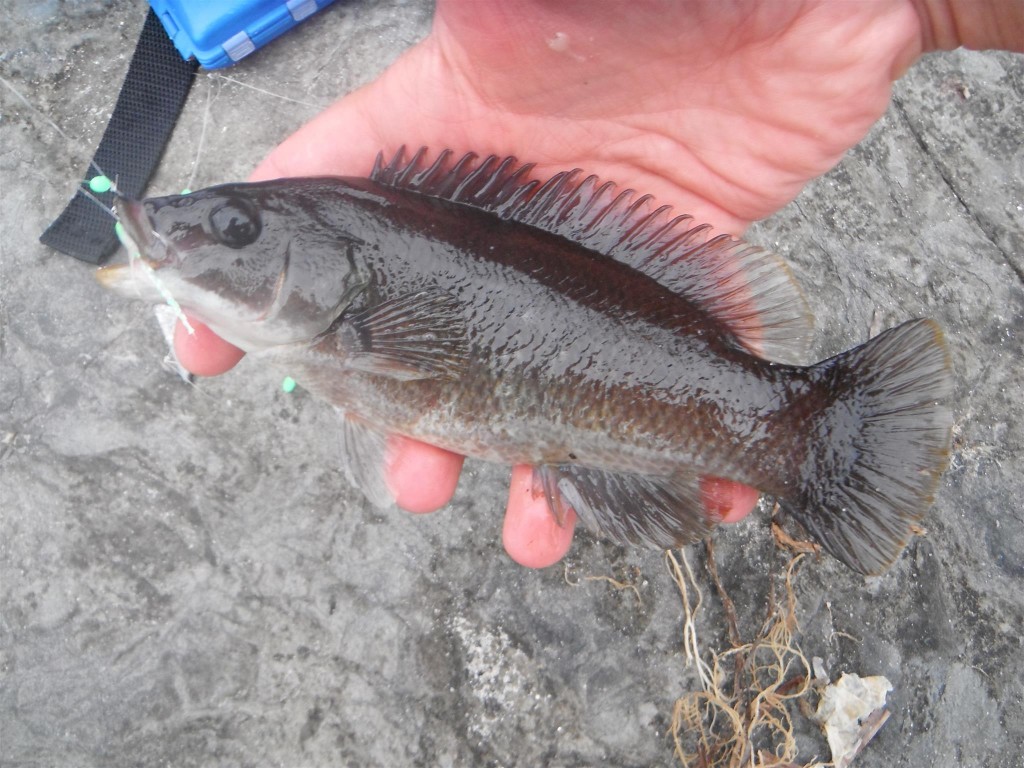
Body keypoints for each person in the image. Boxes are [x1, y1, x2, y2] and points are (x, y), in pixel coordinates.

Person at [172, 0, 1024, 568]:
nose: (203, 238)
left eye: (238, 228)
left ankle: (802, 429)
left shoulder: (350, 287)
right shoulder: (342, 283)